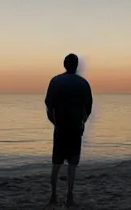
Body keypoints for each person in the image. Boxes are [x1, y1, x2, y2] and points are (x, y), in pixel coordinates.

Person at [45, 53, 92, 208]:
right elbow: (88, 109)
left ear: (64, 64)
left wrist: (55, 122)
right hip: (75, 129)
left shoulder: (55, 81)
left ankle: (53, 195)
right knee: (72, 166)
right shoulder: (83, 83)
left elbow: (49, 107)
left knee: (56, 164)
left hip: (60, 128)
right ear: (76, 65)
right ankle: (69, 197)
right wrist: (82, 123)